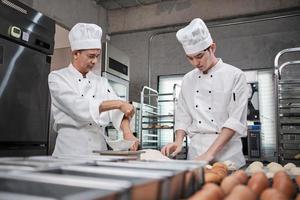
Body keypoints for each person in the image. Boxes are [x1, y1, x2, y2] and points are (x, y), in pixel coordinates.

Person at [161, 18, 248, 168]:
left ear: (212, 48)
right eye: (190, 58)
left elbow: (235, 120)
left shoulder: (235, 75)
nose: (196, 63)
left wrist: (209, 154)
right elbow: (183, 114)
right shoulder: (188, 79)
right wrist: (178, 141)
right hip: (196, 154)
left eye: (199, 56)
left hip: (228, 154)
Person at [48, 23, 138, 156]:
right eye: (91, 56)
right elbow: (78, 107)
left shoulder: (101, 81)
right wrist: (118, 103)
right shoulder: (58, 78)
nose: (95, 61)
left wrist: (127, 132)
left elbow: (119, 111)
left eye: (97, 56)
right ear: (76, 54)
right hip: (70, 151)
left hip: (99, 150)